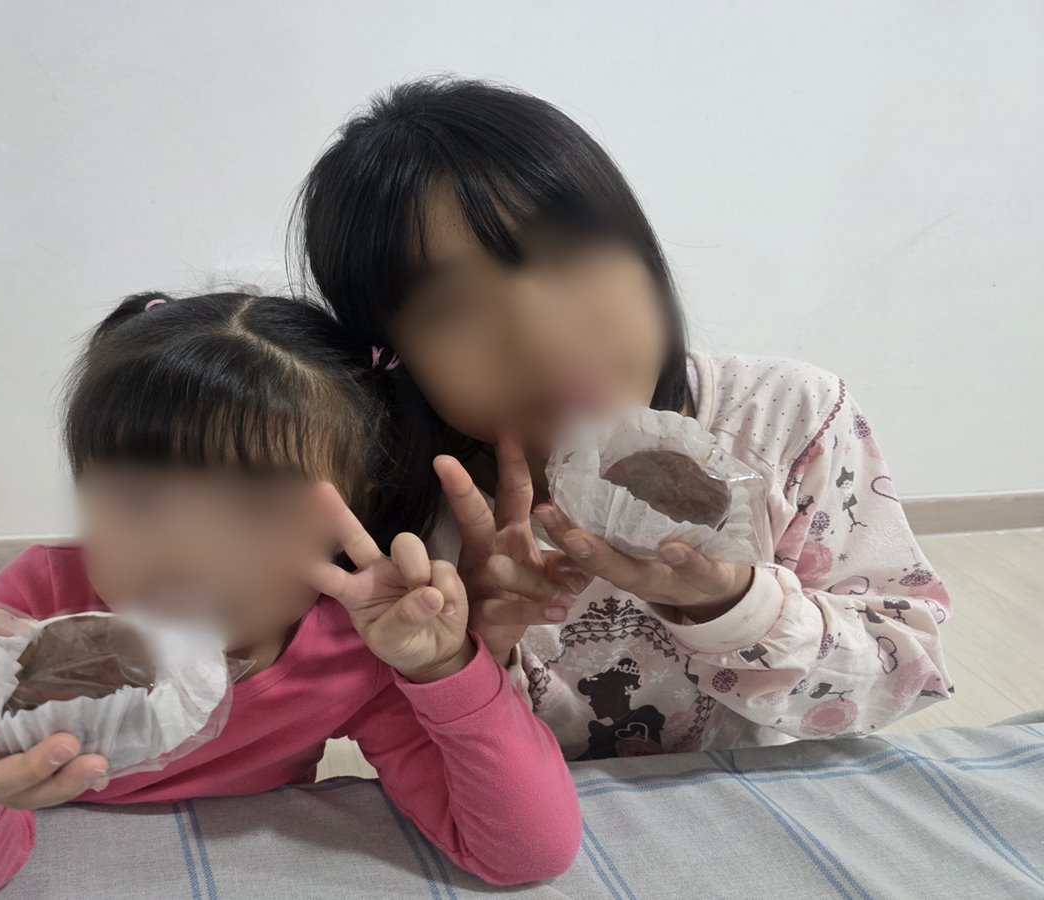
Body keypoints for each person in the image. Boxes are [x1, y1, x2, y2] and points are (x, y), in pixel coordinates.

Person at [295, 77, 953, 759]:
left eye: (568, 257)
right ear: (393, 356)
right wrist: (461, 661)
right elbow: (404, 764)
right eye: (452, 307)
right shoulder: (400, 513)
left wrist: (732, 605)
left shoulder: (784, 419)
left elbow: (906, 674)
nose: (542, 336)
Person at [0, 291, 581, 899]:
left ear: (354, 513)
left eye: (257, 507)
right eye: (137, 498)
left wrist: (443, 669)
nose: (187, 553)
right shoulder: (43, 598)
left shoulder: (354, 650)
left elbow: (524, 854)